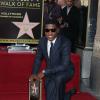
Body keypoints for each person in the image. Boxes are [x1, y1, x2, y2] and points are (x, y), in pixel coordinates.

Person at [30, 19, 74, 100]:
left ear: (57, 30)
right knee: (50, 94)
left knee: (58, 79)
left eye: (52, 30)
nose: (49, 33)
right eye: (47, 30)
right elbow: (38, 59)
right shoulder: (42, 41)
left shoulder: (65, 42)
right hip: (51, 70)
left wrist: (45, 72)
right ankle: (67, 95)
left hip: (65, 70)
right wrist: (34, 74)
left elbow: (64, 65)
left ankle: (65, 95)